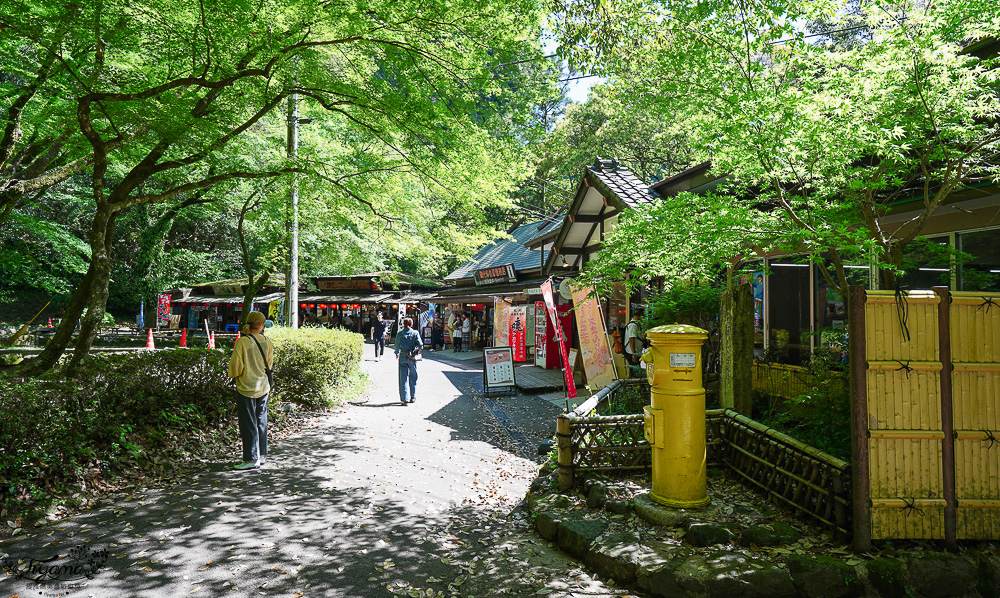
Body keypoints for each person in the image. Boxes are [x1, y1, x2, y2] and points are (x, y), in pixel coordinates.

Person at [227, 311, 273, 470]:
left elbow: (235, 367)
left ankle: (251, 459)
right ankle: (262, 455)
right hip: (263, 385)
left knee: (248, 423)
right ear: (261, 325)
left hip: (246, 386)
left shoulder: (242, 342)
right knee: (261, 420)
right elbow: (270, 364)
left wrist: (236, 377)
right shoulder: (267, 341)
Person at [394, 317, 422, 405]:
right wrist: (417, 349)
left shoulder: (400, 334)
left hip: (402, 356)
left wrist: (397, 353)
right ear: (411, 324)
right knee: (413, 377)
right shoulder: (415, 333)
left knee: (403, 378)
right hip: (412, 357)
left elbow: (396, 346)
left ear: (403, 324)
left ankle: (404, 399)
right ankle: (413, 396)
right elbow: (420, 344)